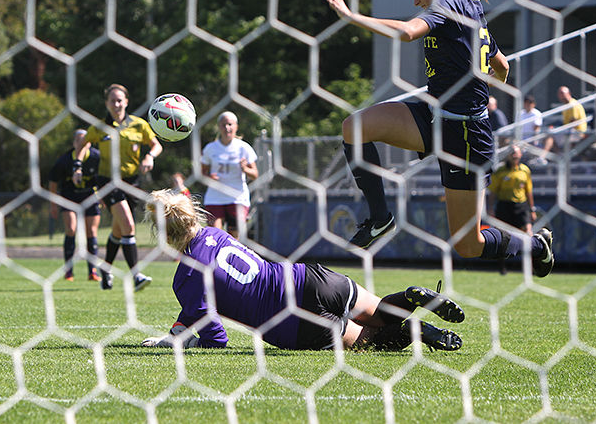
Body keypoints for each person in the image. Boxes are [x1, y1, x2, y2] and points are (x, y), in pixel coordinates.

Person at [321, 0, 554, 277]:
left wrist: (350, 16)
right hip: (435, 116)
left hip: (466, 136)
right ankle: (380, 218)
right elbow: (502, 66)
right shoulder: (470, 7)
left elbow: (406, 32)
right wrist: (479, 77)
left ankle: (535, 247)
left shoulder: (448, 4)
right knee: (354, 127)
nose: (416, 1)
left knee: (468, 245)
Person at [141, 189, 464, 351]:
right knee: (379, 310)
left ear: (164, 235)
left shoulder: (186, 277)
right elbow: (203, 301)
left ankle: (420, 332)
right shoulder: (219, 234)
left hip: (292, 322)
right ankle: (411, 296)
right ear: (191, 215)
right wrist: (175, 332)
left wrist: (185, 342)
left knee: (374, 341)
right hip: (309, 278)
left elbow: (216, 338)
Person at [72, 83, 163, 291]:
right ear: (107, 103)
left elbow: (157, 144)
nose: (116, 104)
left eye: (119, 100)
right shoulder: (99, 128)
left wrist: (150, 156)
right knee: (129, 226)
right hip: (107, 182)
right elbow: (82, 144)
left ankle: (105, 269)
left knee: (119, 231)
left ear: (126, 102)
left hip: (131, 183)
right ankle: (136, 276)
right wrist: (77, 167)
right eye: (112, 100)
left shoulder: (139, 125)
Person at [49, 129, 102, 282]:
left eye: (85, 139)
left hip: (90, 197)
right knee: (71, 229)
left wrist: (104, 197)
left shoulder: (96, 157)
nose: (82, 142)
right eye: (78, 140)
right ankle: (68, 271)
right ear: (74, 142)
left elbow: (104, 178)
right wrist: (53, 204)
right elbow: (53, 181)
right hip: (69, 198)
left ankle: (92, 272)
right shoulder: (64, 160)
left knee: (91, 232)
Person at [201, 111, 258, 239]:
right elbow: (201, 173)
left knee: (233, 239)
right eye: (223, 124)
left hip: (237, 197)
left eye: (230, 124)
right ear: (219, 127)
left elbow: (255, 175)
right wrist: (209, 178)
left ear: (236, 126)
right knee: (214, 236)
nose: (227, 128)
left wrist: (245, 169)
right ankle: (214, 259)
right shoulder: (210, 148)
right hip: (215, 197)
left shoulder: (244, 148)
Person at [488, 144, 536, 239]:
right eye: (511, 153)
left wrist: (532, 210)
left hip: (521, 205)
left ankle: (531, 251)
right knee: (502, 234)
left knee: (528, 231)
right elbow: (493, 191)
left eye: (516, 153)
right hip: (504, 205)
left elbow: (528, 191)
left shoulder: (525, 170)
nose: (514, 155)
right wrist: (490, 208)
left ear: (520, 154)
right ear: (507, 155)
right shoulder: (500, 171)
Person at [535, 86, 587, 163]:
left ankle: (543, 157)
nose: (561, 96)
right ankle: (559, 155)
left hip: (577, 132)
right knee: (550, 134)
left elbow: (573, 123)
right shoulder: (565, 106)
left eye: (563, 93)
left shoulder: (572, 104)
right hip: (569, 131)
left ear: (569, 93)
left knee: (550, 136)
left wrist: (558, 130)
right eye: (559, 94)